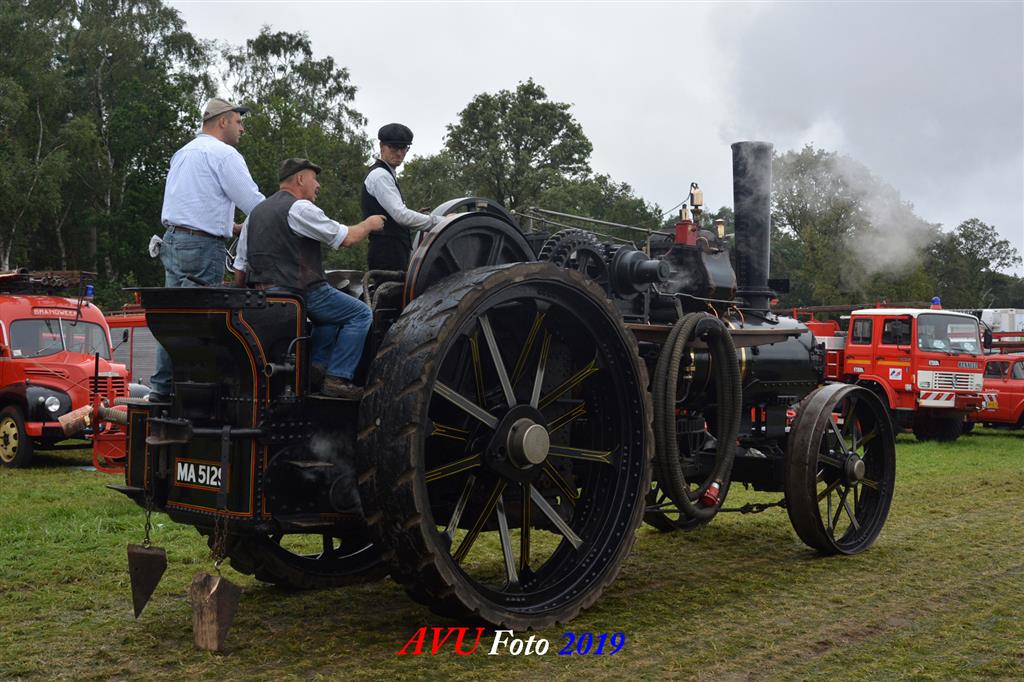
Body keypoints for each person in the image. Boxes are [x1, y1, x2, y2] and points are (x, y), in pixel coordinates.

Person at [234, 158, 385, 399]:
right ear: (300, 179)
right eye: (314, 179)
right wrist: (369, 224)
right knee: (360, 313)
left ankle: (316, 368)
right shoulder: (300, 208)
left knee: (329, 319)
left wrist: (242, 297)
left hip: (264, 296)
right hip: (300, 291)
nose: (318, 185)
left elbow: (240, 266)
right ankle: (338, 377)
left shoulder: (256, 214)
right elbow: (346, 238)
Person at [149, 97, 265, 402]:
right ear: (223, 122)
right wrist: (288, 215)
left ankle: (162, 390)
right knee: (202, 321)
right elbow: (255, 204)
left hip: (172, 241)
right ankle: (198, 396)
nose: (242, 129)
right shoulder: (224, 155)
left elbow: (193, 205)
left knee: (172, 320)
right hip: (201, 247)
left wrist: (231, 227)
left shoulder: (183, 153)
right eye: (238, 122)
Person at [362, 123, 445, 271]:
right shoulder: (381, 176)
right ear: (382, 146)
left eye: (404, 148)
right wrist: (443, 222)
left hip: (393, 252)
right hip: (387, 255)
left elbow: (396, 217)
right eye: (394, 148)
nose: (399, 153)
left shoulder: (387, 174)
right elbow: (401, 215)